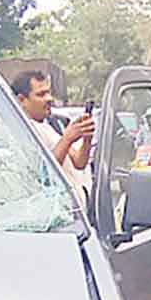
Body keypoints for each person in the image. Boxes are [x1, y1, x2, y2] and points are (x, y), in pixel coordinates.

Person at [11, 69, 94, 205]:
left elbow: (79, 162)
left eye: (48, 92)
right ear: (22, 100)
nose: (49, 99)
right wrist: (67, 139)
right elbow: (45, 175)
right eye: (41, 94)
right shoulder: (21, 131)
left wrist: (86, 137)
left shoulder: (49, 126)